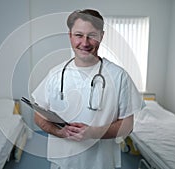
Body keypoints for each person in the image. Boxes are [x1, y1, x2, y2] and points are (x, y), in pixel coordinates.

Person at [32, 9, 143, 169]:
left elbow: (128, 125)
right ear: (70, 36)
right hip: (62, 163)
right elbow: (38, 116)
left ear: (101, 36)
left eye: (91, 35)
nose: (85, 43)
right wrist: (59, 132)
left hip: (101, 163)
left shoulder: (118, 76)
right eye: (78, 35)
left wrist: (94, 133)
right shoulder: (55, 74)